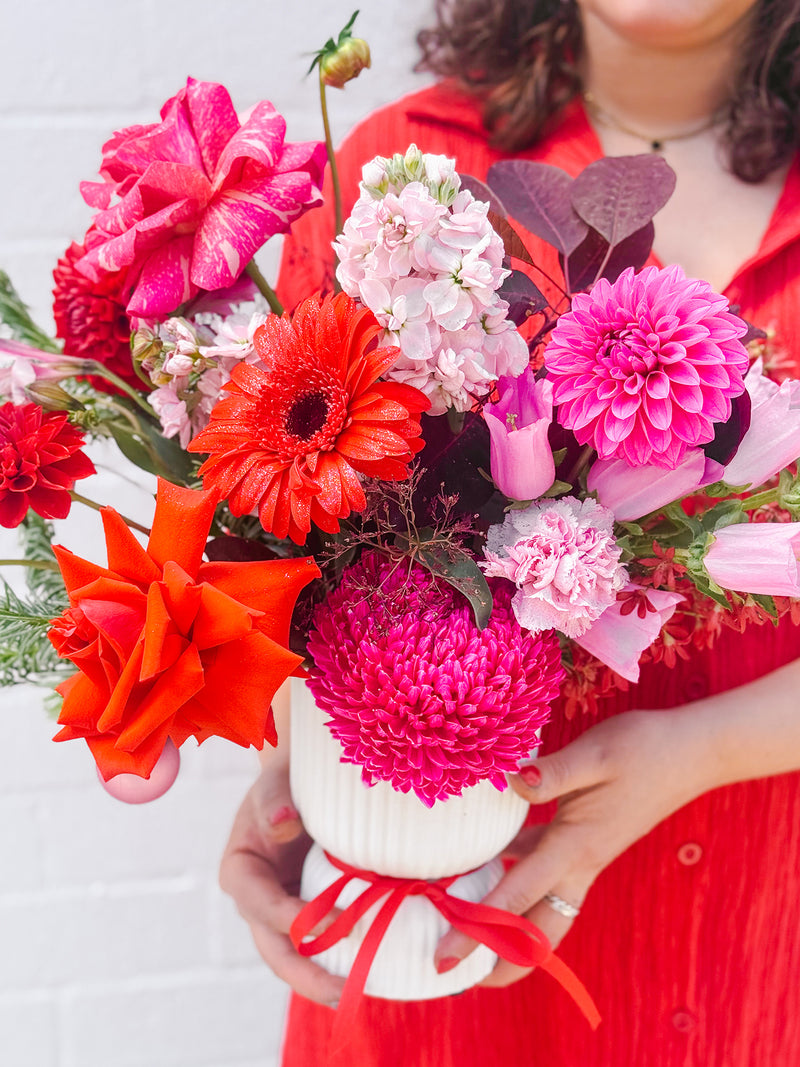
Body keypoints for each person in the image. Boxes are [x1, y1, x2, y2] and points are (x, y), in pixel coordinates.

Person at [220, 1, 800, 1063]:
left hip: (756, 944)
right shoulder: (404, 177)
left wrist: (701, 750)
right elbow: (283, 547)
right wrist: (292, 787)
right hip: (435, 945)